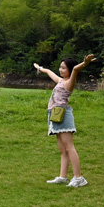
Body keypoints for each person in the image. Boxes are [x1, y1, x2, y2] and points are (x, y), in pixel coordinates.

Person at [34, 54, 96, 188]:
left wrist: (84, 63)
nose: (61, 70)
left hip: (63, 115)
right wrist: (40, 68)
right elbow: (50, 72)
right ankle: (63, 177)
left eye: (64, 68)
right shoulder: (60, 81)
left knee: (69, 147)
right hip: (55, 115)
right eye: (60, 67)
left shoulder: (69, 83)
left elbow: (75, 70)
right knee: (62, 149)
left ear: (70, 69)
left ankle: (79, 178)